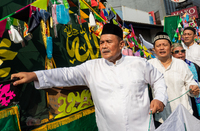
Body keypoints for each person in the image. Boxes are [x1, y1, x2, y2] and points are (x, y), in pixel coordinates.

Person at [11, 23, 168, 131]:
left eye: (108, 42)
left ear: (121, 45)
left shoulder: (139, 63)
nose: (104, 46)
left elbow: (158, 79)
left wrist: (159, 98)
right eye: (101, 43)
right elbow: (65, 74)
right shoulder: (91, 67)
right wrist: (34, 75)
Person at [148, 32, 199, 124]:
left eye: (165, 45)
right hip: (162, 117)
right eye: (158, 46)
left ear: (171, 48)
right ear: (154, 49)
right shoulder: (149, 65)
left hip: (184, 114)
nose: (162, 48)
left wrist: (193, 88)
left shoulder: (181, 64)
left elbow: (190, 82)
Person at [172, 43, 200, 119]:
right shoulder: (170, 68)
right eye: (177, 52)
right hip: (177, 99)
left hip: (193, 99)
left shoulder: (193, 66)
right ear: (172, 54)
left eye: (182, 51)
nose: (180, 53)